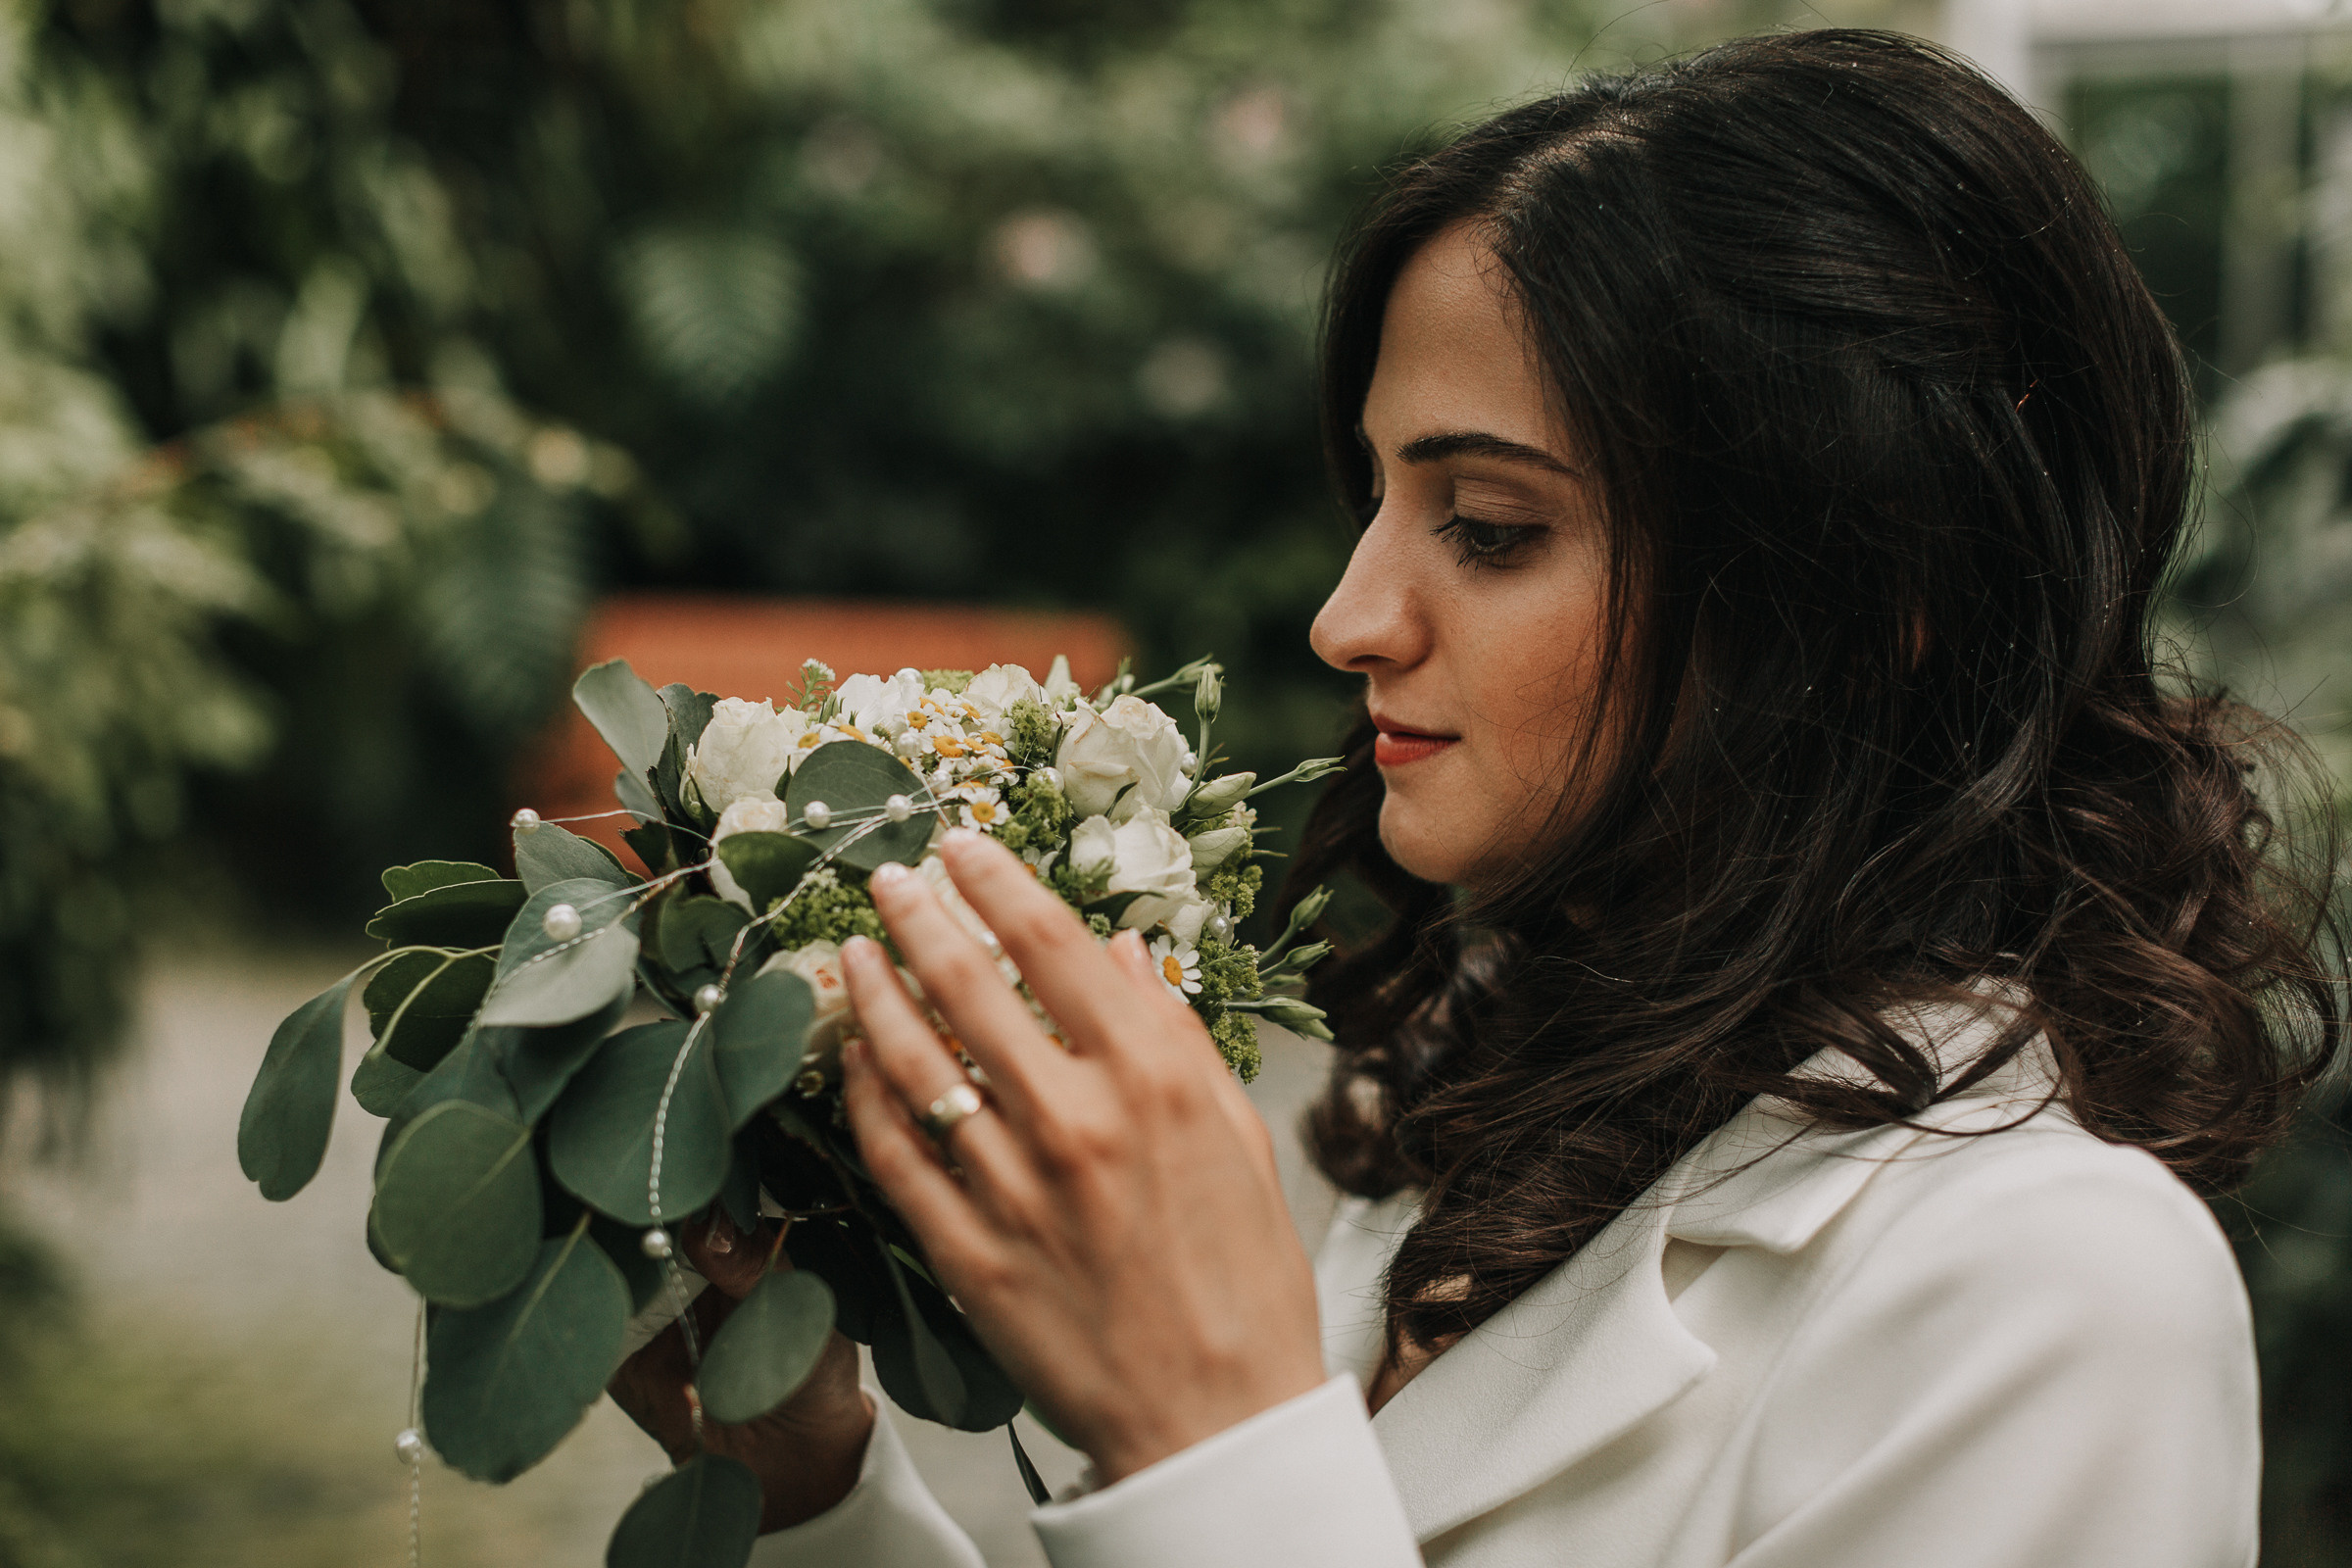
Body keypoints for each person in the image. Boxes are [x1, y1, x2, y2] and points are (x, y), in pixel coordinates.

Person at [608, 28, 2345, 1566]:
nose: (1346, 618)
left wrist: (1214, 1431)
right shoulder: (1490, 1095)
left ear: (1873, 595)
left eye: (1492, 526)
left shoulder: (2054, 1295)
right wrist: (813, 1497)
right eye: (1375, 496)